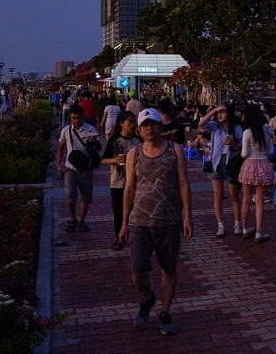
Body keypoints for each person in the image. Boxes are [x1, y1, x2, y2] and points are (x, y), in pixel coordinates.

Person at [118, 108, 193, 336]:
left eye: (154, 124)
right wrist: (123, 223)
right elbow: (129, 188)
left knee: (168, 269)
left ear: (161, 127)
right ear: (139, 130)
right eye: (145, 125)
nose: (150, 128)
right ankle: (148, 298)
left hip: (168, 220)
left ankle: (165, 312)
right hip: (139, 220)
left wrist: (188, 215)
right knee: (137, 271)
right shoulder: (134, 154)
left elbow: (183, 183)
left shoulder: (175, 150)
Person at [197, 104, 244, 237]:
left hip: (232, 163)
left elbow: (242, 148)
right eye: (219, 112)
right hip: (216, 162)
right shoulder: (214, 126)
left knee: (233, 194)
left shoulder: (237, 129)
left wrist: (233, 144)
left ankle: (237, 224)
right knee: (218, 195)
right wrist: (213, 110)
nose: (220, 114)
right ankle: (221, 226)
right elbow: (201, 123)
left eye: (223, 112)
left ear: (229, 113)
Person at [56, 105, 101, 233]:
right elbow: (60, 147)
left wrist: (95, 142)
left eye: (79, 118)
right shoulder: (66, 130)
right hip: (70, 168)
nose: (76, 121)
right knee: (70, 195)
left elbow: (98, 148)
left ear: (83, 116)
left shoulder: (90, 129)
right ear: (70, 117)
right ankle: (73, 218)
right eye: (74, 118)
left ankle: (82, 221)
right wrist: (58, 164)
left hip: (86, 168)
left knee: (86, 197)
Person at [102, 111, 141, 250]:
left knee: (136, 211)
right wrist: (115, 160)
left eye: (133, 121)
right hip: (118, 183)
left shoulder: (138, 141)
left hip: (136, 183)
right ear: (121, 123)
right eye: (129, 122)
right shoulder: (114, 140)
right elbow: (103, 159)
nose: (132, 124)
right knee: (118, 212)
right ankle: (119, 238)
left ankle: (136, 238)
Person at [238, 103, 276, 242]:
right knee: (259, 201)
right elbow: (271, 151)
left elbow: (243, 153)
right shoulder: (267, 130)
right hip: (264, 164)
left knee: (246, 199)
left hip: (249, 164)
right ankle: (259, 232)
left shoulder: (247, 132)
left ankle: (244, 228)